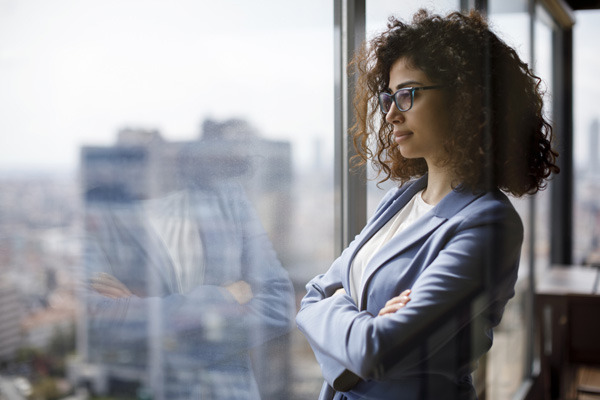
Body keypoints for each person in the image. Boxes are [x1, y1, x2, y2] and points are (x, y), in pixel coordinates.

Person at [296, 9, 559, 400]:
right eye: (389, 97)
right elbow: (311, 298)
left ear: (466, 96)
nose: (389, 114)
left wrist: (343, 315)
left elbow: (377, 351)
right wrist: (359, 327)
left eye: (407, 94)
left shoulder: (490, 223)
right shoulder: (399, 201)